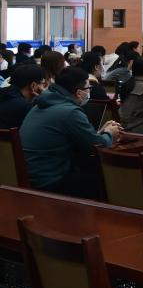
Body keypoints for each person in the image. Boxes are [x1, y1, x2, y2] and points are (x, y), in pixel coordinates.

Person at [20, 68, 122, 197]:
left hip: (29, 176)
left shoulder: (41, 105)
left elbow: (81, 139)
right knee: (107, 180)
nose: (89, 91)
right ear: (79, 93)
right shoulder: (70, 112)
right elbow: (95, 147)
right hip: (49, 181)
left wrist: (100, 133)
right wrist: (110, 134)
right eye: (88, 88)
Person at [0, 63, 46, 128]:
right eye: (43, 84)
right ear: (33, 86)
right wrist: (45, 98)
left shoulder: (4, 94)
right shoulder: (25, 106)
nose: (44, 88)